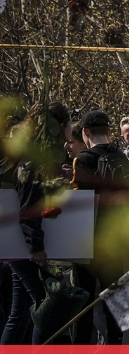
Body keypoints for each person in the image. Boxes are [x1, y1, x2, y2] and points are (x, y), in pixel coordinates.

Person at [71, 110, 129, 344]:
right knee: (113, 303)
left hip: (88, 243)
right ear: (109, 131)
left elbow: (78, 205)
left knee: (83, 304)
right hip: (116, 243)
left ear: (85, 133)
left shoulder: (82, 160)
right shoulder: (123, 159)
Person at [4, 103, 74, 345]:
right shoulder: (33, 161)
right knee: (46, 310)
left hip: (19, 246)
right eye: (69, 123)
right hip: (26, 249)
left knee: (21, 313)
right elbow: (29, 208)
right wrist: (36, 247)